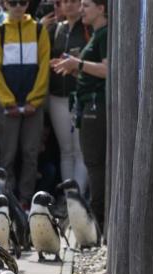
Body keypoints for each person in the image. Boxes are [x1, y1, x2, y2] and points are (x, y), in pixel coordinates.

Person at [52, 0, 107, 227]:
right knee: (80, 156)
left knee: (91, 161)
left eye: (86, 5)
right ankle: (81, 210)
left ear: (101, 8)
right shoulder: (95, 33)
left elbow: (106, 70)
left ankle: (94, 219)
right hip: (83, 103)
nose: (81, 9)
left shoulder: (103, 34)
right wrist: (74, 68)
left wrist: (77, 63)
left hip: (95, 106)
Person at [0, 0, 50, 208]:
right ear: (5, 4)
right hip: (9, 105)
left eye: (22, 2)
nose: (17, 6)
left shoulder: (39, 29)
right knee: (7, 155)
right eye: (12, 2)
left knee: (30, 154)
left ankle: (26, 200)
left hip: (34, 104)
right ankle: (6, 200)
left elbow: (44, 66)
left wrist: (35, 100)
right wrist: (8, 102)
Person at [47, 0, 88, 193]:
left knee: (81, 150)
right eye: (65, 2)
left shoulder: (88, 29)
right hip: (57, 97)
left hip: (80, 96)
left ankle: (78, 199)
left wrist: (75, 66)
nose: (69, 5)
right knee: (66, 151)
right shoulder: (55, 29)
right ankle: (68, 199)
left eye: (74, 1)